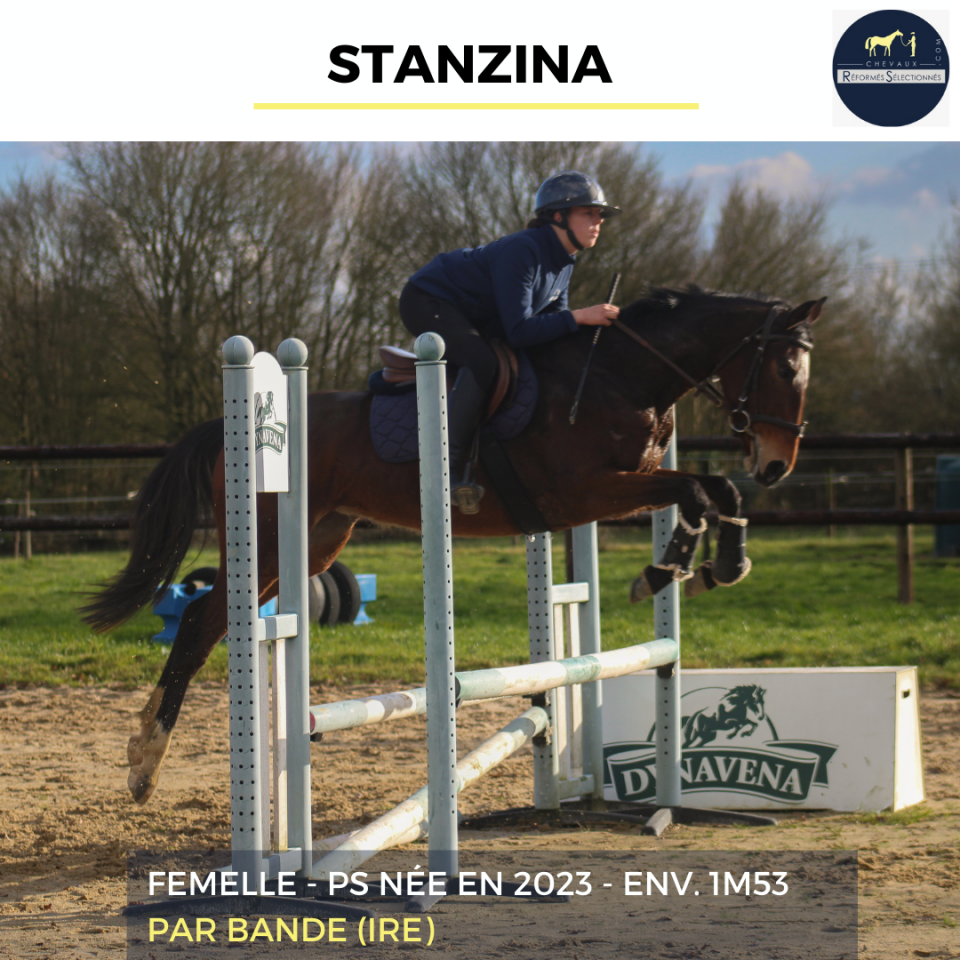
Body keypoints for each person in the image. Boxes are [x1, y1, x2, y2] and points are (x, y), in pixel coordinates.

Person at [399, 171, 621, 515]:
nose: (598, 222)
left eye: (600, 214)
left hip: (469, 313)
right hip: (427, 299)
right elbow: (520, 331)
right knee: (482, 362)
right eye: (588, 213)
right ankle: (444, 468)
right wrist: (580, 316)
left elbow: (551, 327)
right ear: (558, 216)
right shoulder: (523, 250)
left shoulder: (564, 262)